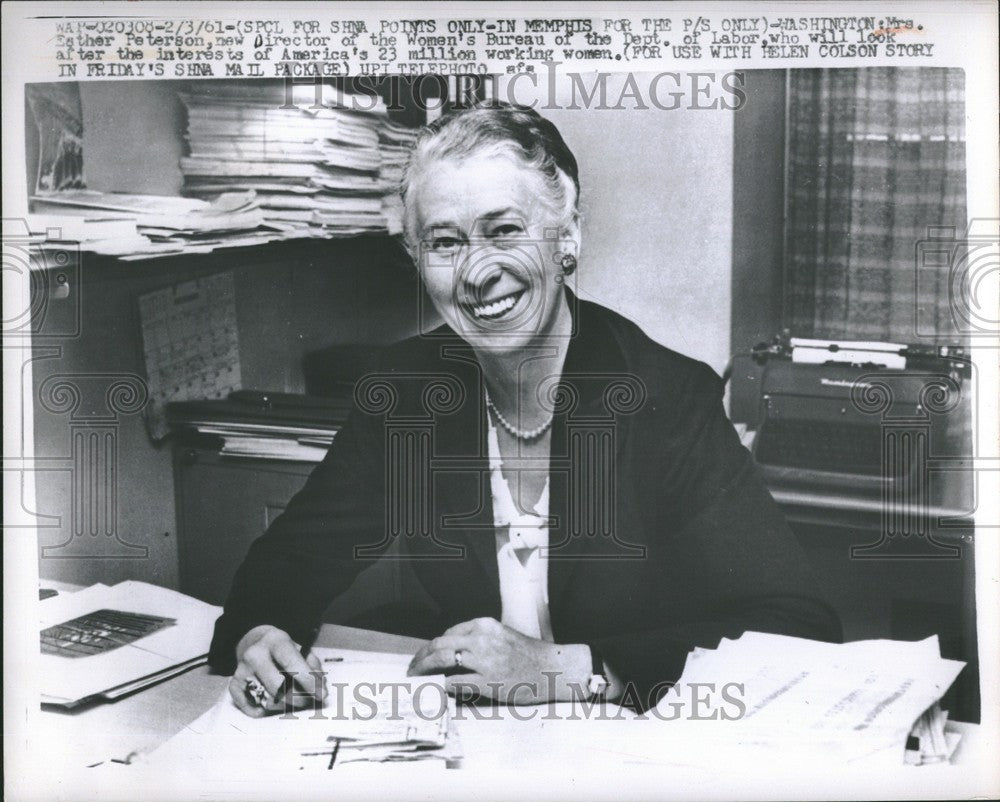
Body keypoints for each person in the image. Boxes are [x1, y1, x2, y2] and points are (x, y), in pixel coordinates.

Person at [209, 101, 841, 717]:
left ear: (567, 235)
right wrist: (259, 637)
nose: (477, 272)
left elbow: (796, 627)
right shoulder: (404, 394)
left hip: (634, 742)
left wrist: (569, 669)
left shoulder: (664, 398)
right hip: (473, 743)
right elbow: (288, 562)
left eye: (504, 230)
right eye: (444, 242)